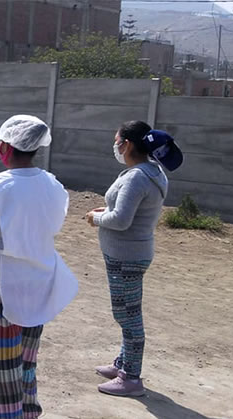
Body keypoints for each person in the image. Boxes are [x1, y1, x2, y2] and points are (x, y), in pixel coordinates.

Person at [0, 115, 78, 419]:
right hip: (38, 281)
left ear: (5, 147)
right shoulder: (53, 185)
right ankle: (28, 416)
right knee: (25, 360)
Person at [85, 121, 183, 397]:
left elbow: (121, 220)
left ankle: (131, 377)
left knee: (127, 316)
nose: (115, 145)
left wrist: (97, 218)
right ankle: (122, 363)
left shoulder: (136, 176)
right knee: (128, 312)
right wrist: (108, 209)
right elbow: (136, 208)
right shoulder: (152, 172)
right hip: (131, 253)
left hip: (126, 256)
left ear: (126, 144)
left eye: (117, 140)